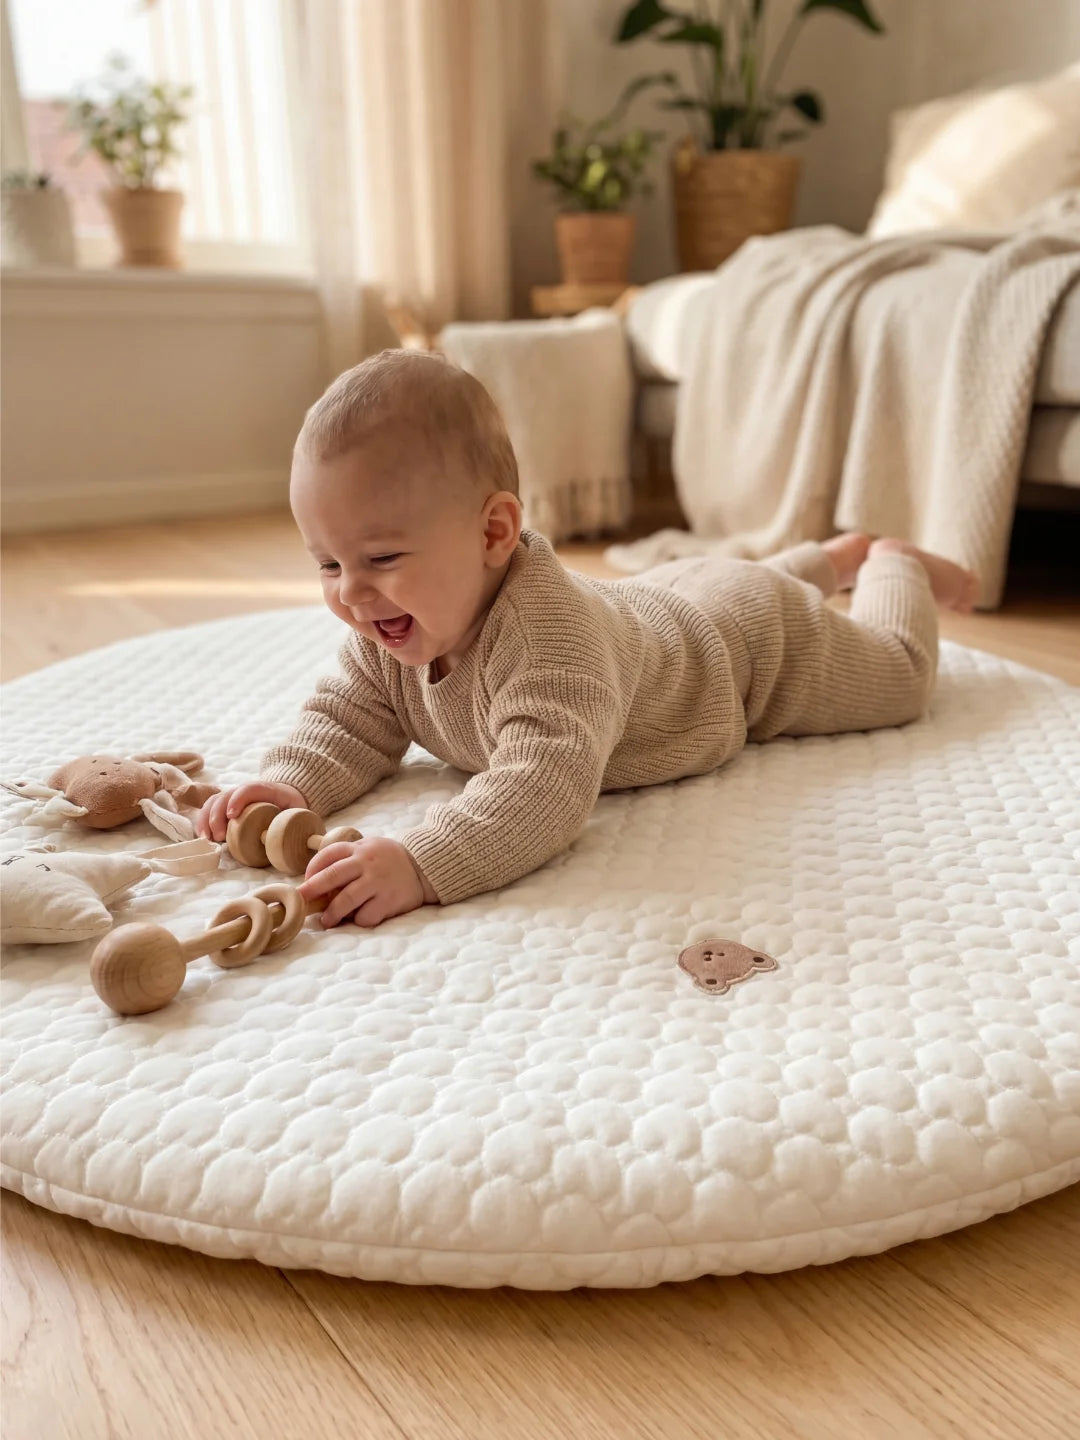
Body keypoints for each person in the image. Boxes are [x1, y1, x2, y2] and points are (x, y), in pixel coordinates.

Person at [197, 350, 977, 929]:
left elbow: (545, 788)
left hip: (748, 649)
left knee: (901, 679)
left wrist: (422, 862)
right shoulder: (384, 628)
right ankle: (822, 558)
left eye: (381, 559)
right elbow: (348, 720)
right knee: (707, 579)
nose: (350, 593)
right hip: (665, 600)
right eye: (327, 564)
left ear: (495, 531)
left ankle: (886, 563)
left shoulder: (550, 649)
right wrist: (291, 784)